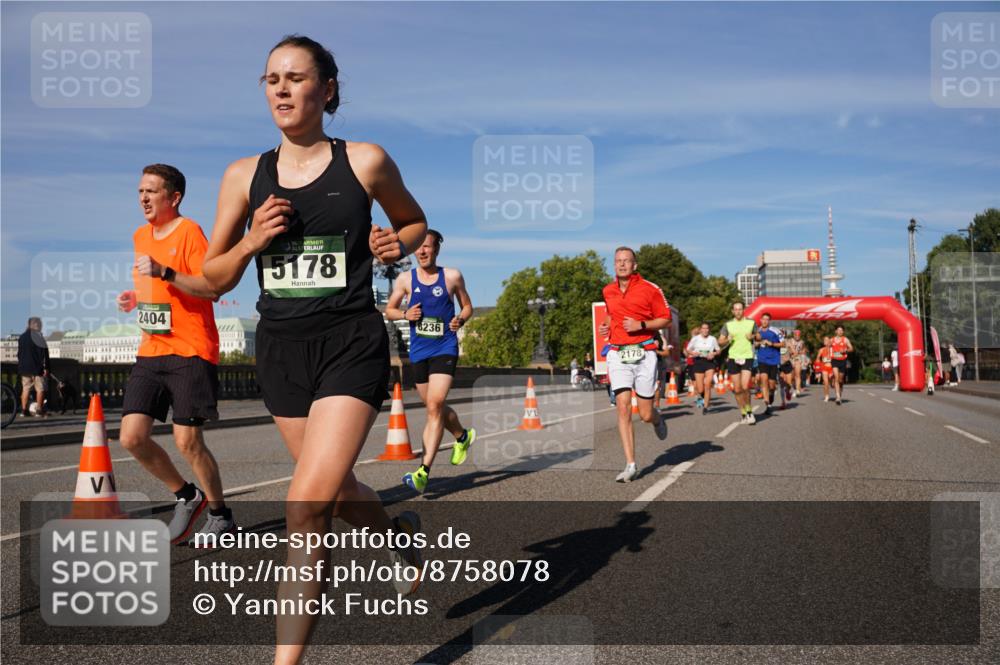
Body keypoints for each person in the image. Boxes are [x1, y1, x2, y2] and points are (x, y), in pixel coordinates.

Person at [200, 35, 427, 664]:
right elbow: (214, 276)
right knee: (339, 489)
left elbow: (415, 222)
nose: (280, 88)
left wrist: (397, 244)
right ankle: (399, 542)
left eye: (295, 77)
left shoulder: (365, 161)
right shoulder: (243, 175)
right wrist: (250, 242)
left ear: (327, 89)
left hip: (349, 343)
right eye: (270, 78)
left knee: (306, 508)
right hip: (280, 351)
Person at [114, 164, 234, 545]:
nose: (143, 198)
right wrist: (135, 297)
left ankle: (220, 514)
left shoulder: (190, 233)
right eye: (139, 192)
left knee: (188, 441)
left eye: (151, 191)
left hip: (190, 350)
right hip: (151, 350)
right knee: (131, 438)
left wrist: (165, 272)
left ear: (174, 197)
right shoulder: (139, 235)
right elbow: (157, 290)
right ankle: (187, 496)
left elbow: (211, 288)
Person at [385, 229, 475, 493]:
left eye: (428, 247)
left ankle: (423, 471)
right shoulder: (405, 279)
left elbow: (467, 305)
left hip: (445, 347)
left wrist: (461, 319)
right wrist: (404, 313)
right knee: (434, 407)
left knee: (434, 405)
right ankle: (462, 435)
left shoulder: (451, 276)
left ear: (437, 250)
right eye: (419, 247)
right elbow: (389, 310)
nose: (422, 251)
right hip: (419, 352)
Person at [598, 247, 670, 482]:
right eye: (618, 261)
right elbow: (612, 312)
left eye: (626, 261)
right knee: (622, 405)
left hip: (644, 352)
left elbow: (666, 319)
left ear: (634, 265)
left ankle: (657, 418)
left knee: (645, 414)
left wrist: (641, 325)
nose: (621, 265)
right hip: (618, 353)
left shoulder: (650, 289)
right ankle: (631, 464)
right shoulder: (608, 290)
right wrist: (607, 324)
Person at [718, 301, 758, 424]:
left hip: (747, 356)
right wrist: (727, 340)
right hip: (733, 357)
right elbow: (720, 342)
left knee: (745, 386)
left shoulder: (751, 322)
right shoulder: (728, 325)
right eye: (735, 309)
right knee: (737, 389)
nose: (738, 311)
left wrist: (752, 337)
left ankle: (750, 411)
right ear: (732, 311)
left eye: (740, 309)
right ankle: (743, 412)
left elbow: (758, 335)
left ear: (743, 310)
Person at [685, 322, 720, 414]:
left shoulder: (713, 339)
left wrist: (713, 353)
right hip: (698, 362)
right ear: (700, 330)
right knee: (700, 389)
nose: (705, 330)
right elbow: (688, 349)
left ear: (709, 330)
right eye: (703, 328)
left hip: (709, 363)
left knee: (707, 384)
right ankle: (705, 397)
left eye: (707, 328)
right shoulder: (695, 339)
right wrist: (693, 353)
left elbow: (718, 350)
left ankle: (706, 407)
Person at [17, 317, 49, 417]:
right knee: (40, 389)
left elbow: (19, 354)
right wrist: (46, 368)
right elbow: (44, 355)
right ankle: (39, 411)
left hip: (24, 368)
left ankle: (23, 410)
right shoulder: (39, 337)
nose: (41, 327)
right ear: (35, 325)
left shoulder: (22, 337)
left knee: (25, 389)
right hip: (37, 368)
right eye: (39, 325)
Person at [753, 313, 784, 415]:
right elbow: (754, 343)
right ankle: (767, 404)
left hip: (773, 360)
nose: (765, 321)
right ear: (760, 320)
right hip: (762, 360)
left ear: (769, 321)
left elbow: (783, 344)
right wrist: (757, 344)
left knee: (772, 385)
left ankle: (770, 398)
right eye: (763, 319)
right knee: (763, 380)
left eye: (767, 320)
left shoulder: (775, 331)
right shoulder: (757, 331)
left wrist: (772, 344)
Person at [829, 325, 853, 405]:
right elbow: (827, 347)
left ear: (843, 332)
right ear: (836, 331)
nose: (840, 331)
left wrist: (846, 350)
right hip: (834, 360)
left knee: (840, 380)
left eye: (841, 330)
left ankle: (840, 391)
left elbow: (851, 348)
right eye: (838, 330)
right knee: (836, 378)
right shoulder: (832, 340)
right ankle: (838, 397)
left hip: (843, 361)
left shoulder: (845, 339)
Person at [786, 329, 807, 396]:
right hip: (790, 359)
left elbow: (804, 350)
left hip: (798, 359)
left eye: (798, 335)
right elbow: (787, 350)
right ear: (794, 335)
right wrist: (790, 351)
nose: (797, 336)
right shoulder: (789, 341)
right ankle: (793, 388)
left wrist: (800, 352)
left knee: (798, 374)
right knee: (791, 377)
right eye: (796, 335)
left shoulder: (802, 342)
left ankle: (798, 390)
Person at [816, 336, 833, 402]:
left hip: (832, 368)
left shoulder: (833, 349)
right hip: (824, 367)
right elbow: (817, 359)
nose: (826, 341)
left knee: (833, 384)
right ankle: (826, 396)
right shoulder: (821, 350)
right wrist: (817, 371)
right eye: (824, 340)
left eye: (827, 340)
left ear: (830, 341)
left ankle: (832, 383)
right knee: (825, 382)